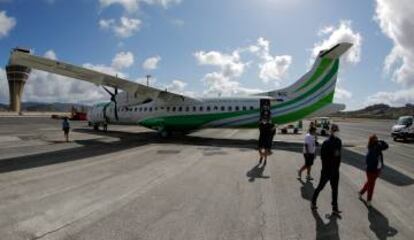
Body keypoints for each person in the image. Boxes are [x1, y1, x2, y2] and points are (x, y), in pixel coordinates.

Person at [311, 124, 342, 215]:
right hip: (327, 170)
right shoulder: (326, 143)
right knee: (320, 187)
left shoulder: (339, 141)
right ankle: (313, 202)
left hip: (336, 170)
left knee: (335, 189)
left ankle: (335, 208)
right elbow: (323, 157)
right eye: (336, 130)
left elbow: (338, 155)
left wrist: (336, 166)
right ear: (331, 131)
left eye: (338, 130)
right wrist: (329, 164)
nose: (337, 132)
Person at [359, 135, 388, 207]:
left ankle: (360, 192)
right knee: (371, 185)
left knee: (369, 183)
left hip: (377, 170)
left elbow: (386, 146)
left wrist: (381, 141)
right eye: (376, 140)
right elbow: (367, 161)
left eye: (377, 139)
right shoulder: (372, 149)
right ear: (373, 141)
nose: (377, 141)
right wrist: (374, 164)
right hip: (371, 171)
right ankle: (369, 200)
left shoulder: (378, 147)